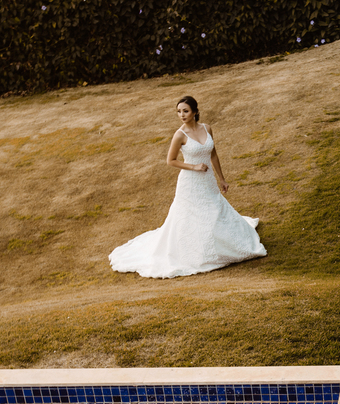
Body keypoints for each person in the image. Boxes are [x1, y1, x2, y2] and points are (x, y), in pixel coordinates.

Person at [109, 96, 266, 278]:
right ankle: (198, 250)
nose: (182, 115)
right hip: (190, 182)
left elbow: (213, 154)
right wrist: (194, 166)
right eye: (179, 111)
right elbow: (170, 161)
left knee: (215, 210)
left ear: (195, 112)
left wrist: (222, 179)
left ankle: (224, 243)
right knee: (191, 217)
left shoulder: (207, 128)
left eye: (185, 111)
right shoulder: (179, 135)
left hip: (207, 181)